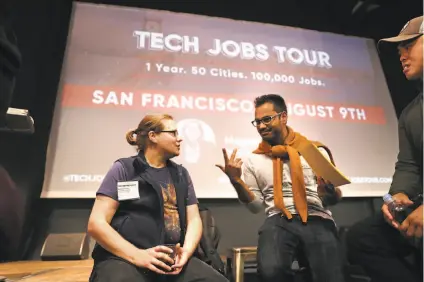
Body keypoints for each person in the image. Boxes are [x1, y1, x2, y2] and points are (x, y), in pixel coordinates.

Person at [216, 94, 345, 282]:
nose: (261, 126)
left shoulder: (314, 150)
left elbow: (333, 199)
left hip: (316, 215)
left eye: (266, 119)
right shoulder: (253, 159)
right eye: (257, 121)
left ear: (283, 117)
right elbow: (256, 206)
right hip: (279, 218)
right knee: (271, 271)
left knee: (329, 276)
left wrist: (330, 192)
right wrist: (236, 181)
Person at [87, 114, 228, 282]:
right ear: (153, 136)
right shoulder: (124, 169)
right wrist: (137, 255)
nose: (180, 138)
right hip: (123, 258)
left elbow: (194, 219)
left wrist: (186, 252)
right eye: (173, 133)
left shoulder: (181, 174)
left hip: (170, 259)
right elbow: (96, 224)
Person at [346, 16, 423, 282]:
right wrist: (399, 195)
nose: (401, 54)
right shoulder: (411, 113)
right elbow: (409, 165)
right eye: (399, 48)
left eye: (409, 44)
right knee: (362, 238)